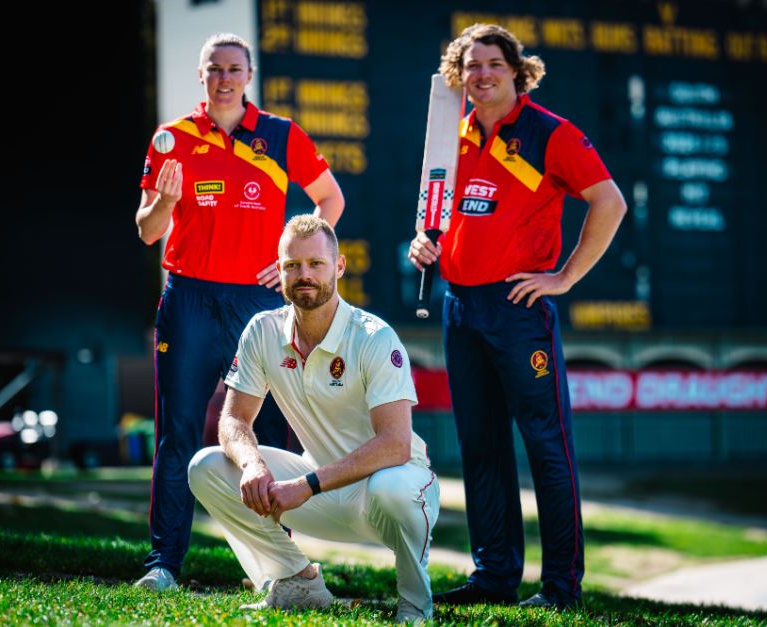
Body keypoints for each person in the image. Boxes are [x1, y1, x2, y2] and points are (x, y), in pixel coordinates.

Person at [408, 24, 627, 609]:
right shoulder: (448, 135)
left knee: (546, 447)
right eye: (471, 66)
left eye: (493, 64)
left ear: (516, 70)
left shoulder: (549, 132)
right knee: (480, 449)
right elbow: (439, 217)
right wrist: (423, 244)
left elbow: (611, 201)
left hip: (518, 309)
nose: (481, 75)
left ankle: (561, 590)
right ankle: (495, 578)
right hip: (460, 306)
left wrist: (565, 277)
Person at [134, 33, 345, 591]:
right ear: (201, 76)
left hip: (259, 301)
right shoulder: (172, 138)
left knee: (270, 432)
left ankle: (281, 567)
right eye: (213, 69)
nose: (224, 78)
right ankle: (163, 565)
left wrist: (293, 260)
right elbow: (146, 230)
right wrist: (166, 202)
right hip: (190, 297)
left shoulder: (280, 135)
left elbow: (331, 199)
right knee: (177, 431)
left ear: (248, 75)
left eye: (234, 68)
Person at [188, 215, 439, 623]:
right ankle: (296, 581)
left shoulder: (375, 336)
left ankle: (414, 604)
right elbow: (233, 418)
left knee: (390, 487)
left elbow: (395, 443)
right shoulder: (262, 331)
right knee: (206, 467)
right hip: (323, 491)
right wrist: (253, 466)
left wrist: (307, 484)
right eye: (292, 265)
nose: (303, 275)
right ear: (280, 269)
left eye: (315, 264)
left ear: (338, 267)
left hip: (397, 489)